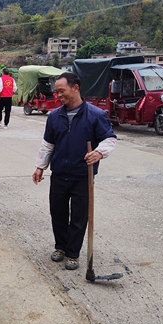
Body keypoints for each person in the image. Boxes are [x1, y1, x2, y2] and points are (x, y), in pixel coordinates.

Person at [32, 72, 117, 270]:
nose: (58, 95)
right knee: (58, 213)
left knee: (79, 217)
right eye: (56, 92)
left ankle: (73, 253)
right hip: (60, 174)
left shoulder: (96, 115)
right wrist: (40, 166)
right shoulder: (54, 116)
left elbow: (109, 139)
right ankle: (60, 247)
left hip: (82, 177)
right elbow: (48, 144)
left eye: (61, 91)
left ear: (75, 88)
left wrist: (99, 153)